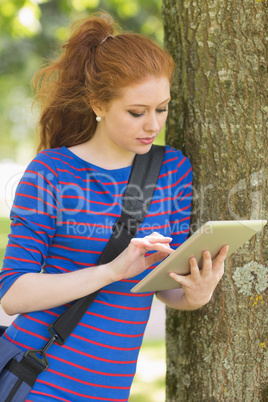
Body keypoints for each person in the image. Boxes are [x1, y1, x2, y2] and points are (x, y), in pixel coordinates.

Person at [0, 13, 228, 401]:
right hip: (40, 379)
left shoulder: (172, 169)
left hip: (111, 389)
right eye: (137, 112)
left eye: (162, 108)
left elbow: (161, 285)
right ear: (97, 104)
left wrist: (196, 294)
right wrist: (110, 271)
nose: (153, 125)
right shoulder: (53, 171)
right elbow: (12, 294)